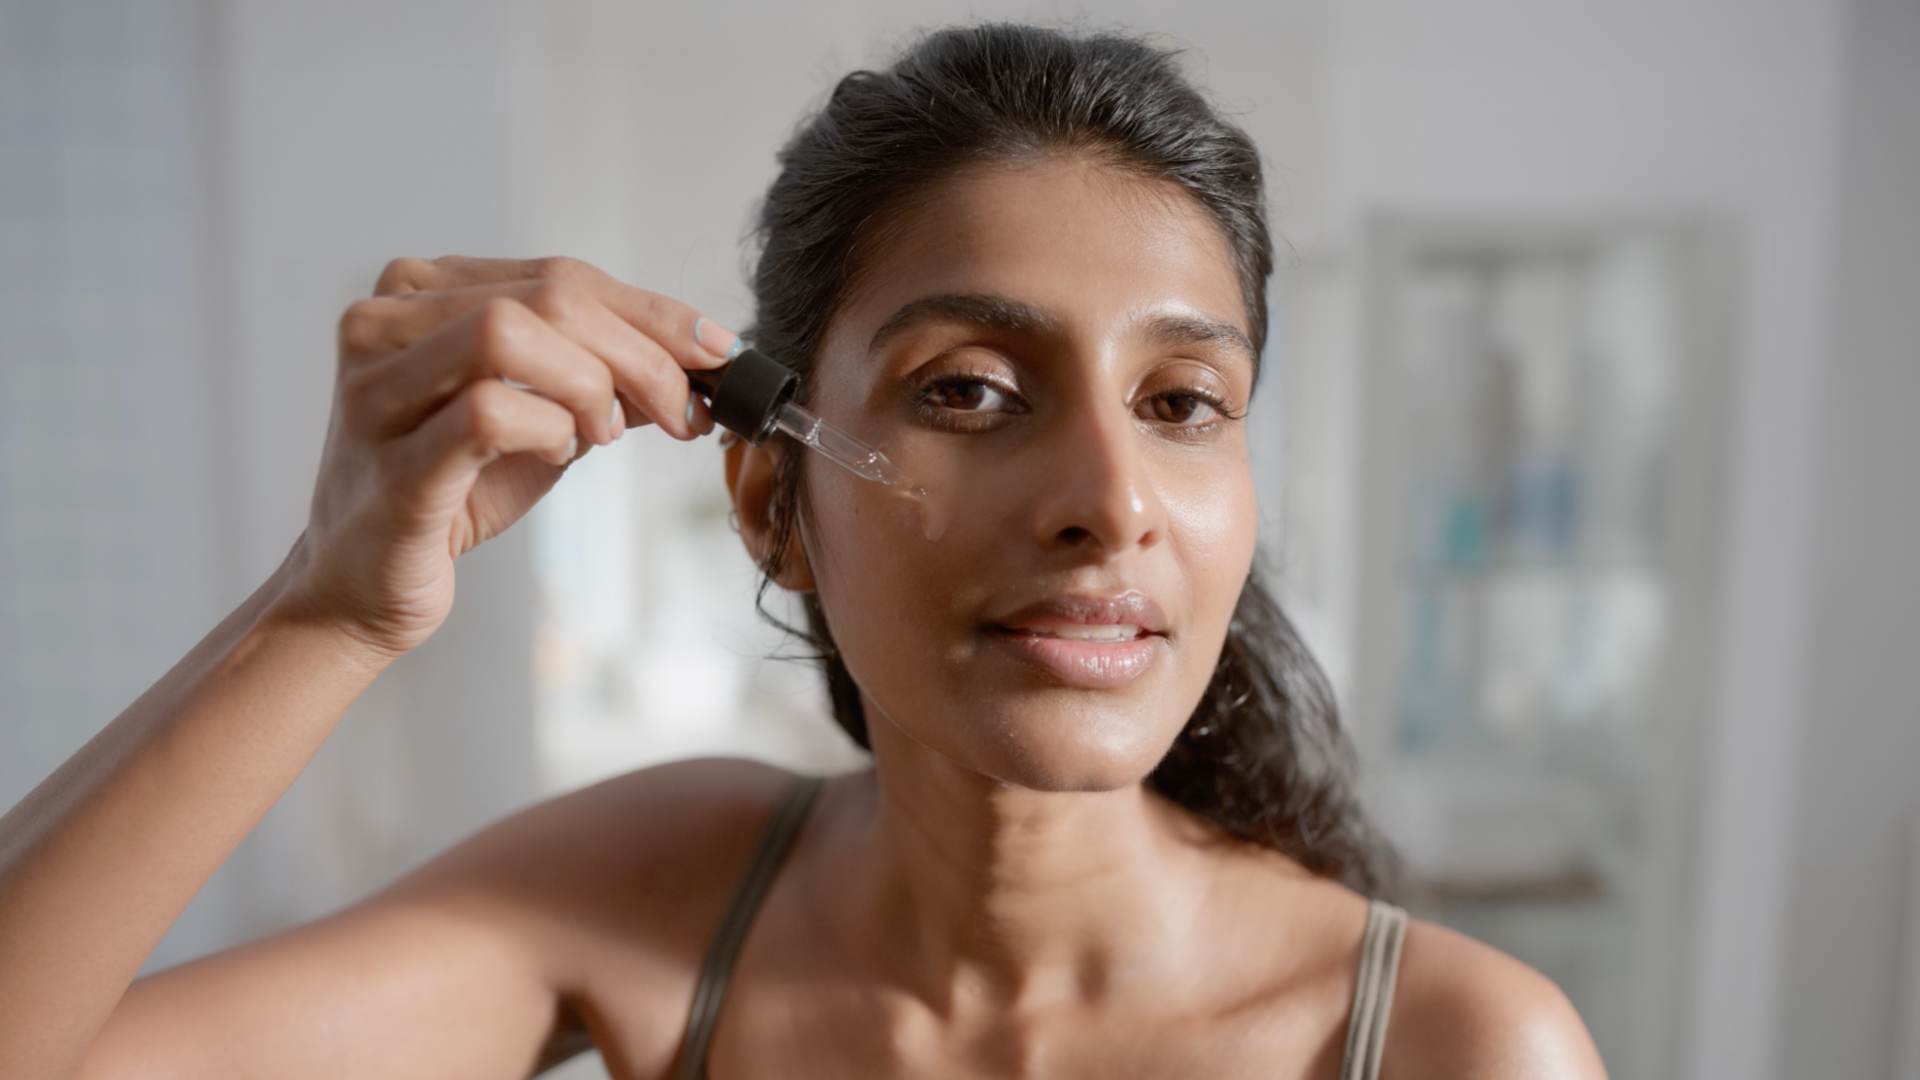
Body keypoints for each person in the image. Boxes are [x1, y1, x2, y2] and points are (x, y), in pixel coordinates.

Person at [0, 24, 1606, 1080]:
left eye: (1183, 401)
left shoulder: (1456, 1047)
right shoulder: (668, 889)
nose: (1111, 500)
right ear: (775, 506)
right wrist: (330, 608)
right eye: (970, 389)